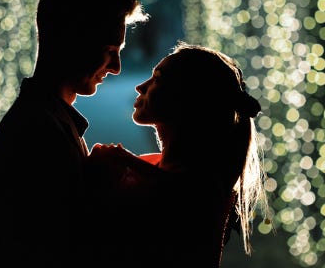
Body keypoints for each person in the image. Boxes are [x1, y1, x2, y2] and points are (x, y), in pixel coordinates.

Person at [0, 0, 147, 267]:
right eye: (109, 50)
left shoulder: (46, 120)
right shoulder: (38, 132)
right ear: (71, 39)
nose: (117, 67)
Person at [84, 42, 269, 268]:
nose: (141, 87)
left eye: (158, 79)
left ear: (187, 99)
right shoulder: (155, 171)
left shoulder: (198, 194)